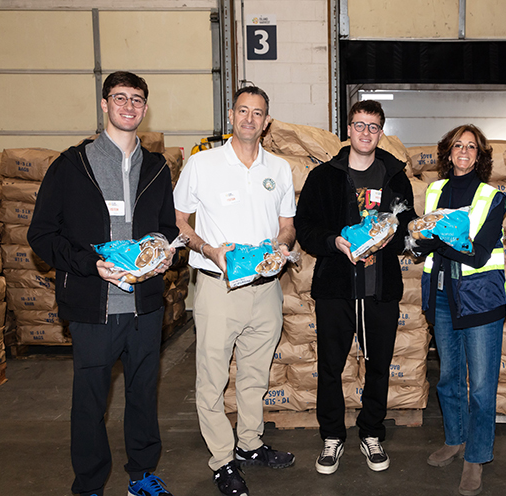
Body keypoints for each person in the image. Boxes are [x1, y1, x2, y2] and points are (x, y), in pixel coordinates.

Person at [28, 71, 177, 496]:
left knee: (143, 395)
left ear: (145, 109)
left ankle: (142, 475)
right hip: (95, 306)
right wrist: (89, 264)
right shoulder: (72, 166)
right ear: (104, 104)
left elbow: (166, 227)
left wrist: (163, 252)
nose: (128, 106)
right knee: (90, 401)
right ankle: (90, 484)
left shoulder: (156, 168)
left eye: (136, 100)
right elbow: (41, 234)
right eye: (120, 98)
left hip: (145, 307)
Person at [172, 85, 296, 496]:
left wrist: (281, 246)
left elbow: (287, 225)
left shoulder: (278, 168)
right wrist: (208, 249)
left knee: (255, 375)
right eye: (242, 111)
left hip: (266, 288)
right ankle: (222, 460)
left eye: (258, 113)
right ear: (230, 115)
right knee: (211, 378)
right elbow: (179, 223)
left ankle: (249, 444)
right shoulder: (202, 164)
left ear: (266, 121)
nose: (249, 119)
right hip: (218, 288)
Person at [294, 100, 415, 476]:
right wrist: (335, 242)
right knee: (330, 366)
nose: (366, 132)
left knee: (378, 365)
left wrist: (386, 238)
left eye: (373, 127)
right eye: (359, 125)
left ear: (382, 132)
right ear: (348, 129)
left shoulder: (395, 176)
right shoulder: (325, 176)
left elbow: (407, 226)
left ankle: (371, 432)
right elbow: (306, 229)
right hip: (336, 288)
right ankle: (332, 436)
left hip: (380, 289)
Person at [419, 125, 506, 496]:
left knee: (482, 385)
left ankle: (477, 456)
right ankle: (455, 439)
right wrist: (422, 238)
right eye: (458, 145)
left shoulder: (492, 197)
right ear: (448, 152)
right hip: (441, 296)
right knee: (449, 377)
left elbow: (480, 251)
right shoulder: (435, 190)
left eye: (472, 146)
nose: (464, 151)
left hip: (480, 299)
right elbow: (423, 243)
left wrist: (435, 239)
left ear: (480, 155)